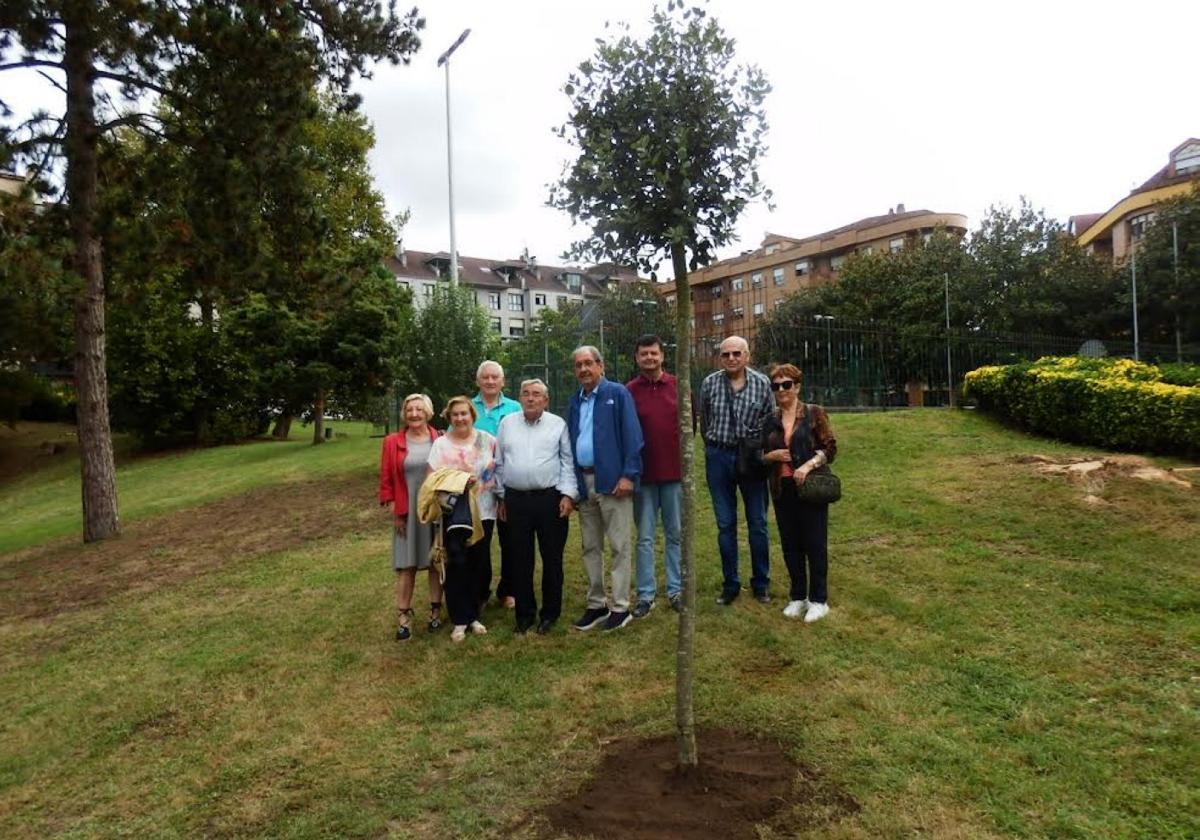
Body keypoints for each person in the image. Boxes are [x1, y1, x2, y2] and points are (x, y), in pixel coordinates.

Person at [566, 345, 644, 632]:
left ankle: (621, 607)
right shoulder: (575, 401)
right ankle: (596, 603)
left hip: (613, 482)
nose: (584, 369)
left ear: (601, 366)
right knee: (590, 546)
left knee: (619, 545)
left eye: (589, 363)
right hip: (584, 483)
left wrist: (628, 475)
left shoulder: (617, 394)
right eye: (579, 365)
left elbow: (633, 437)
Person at [495, 379, 578, 635]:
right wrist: (501, 497)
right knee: (520, 559)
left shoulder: (557, 424)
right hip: (516, 500)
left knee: (552, 558)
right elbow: (498, 463)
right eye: (526, 394)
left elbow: (567, 462)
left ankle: (550, 614)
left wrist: (568, 495)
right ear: (519, 398)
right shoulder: (507, 424)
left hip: (549, 499)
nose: (531, 398)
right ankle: (524, 614)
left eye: (536, 395)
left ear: (546, 400)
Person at [697, 335, 775, 605]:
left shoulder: (762, 384)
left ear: (747, 355)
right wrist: (713, 447)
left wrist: (760, 453)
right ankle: (730, 583)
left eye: (736, 354)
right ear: (720, 358)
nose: (731, 358)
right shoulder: (709, 384)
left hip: (752, 458)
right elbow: (704, 420)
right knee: (725, 524)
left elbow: (770, 423)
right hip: (719, 456)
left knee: (758, 523)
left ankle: (761, 582)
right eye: (726, 354)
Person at [760, 364, 838, 622]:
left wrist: (808, 465)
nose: (781, 390)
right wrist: (770, 455)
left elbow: (830, 448)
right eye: (776, 385)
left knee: (814, 543)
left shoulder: (814, 413)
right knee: (790, 544)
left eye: (786, 384)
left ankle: (818, 599)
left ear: (797, 386)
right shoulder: (770, 419)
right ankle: (797, 596)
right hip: (782, 489)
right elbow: (760, 453)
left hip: (809, 488)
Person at [427, 395, 500, 642]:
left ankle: (474, 615)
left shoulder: (487, 440)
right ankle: (460, 619)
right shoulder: (440, 445)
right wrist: (457, 481)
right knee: (457, 562)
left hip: (484, 510)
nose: (460, 418)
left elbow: (496, 473)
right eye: (455, 414)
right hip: (453, 514)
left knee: (479, 563)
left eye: (464, 413)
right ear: (449, 417)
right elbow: (432, 479)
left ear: (472, 415)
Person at [626, 334, 682, 617]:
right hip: (643, 477)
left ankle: (676, 590)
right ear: (637, 358)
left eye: (654, 353)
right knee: (645, 538)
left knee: (675, 535)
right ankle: (646, 595)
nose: (649, 358)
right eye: (644, 354)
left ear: (663, 356)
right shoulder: (629, 391)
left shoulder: (678, 387)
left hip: (674, 475)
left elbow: (689, 427)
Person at [378, 393, 443, 640]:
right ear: (405, 414)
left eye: (419, 409)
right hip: (407, 512)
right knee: (407, 565)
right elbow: (386, 479)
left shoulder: (439, 438)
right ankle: (404, 617)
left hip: (433, 510)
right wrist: (395, 511)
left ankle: (435, 612)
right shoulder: (392, 441)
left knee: (436, 562)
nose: (414, 414)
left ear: (428, 412)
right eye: (409, 410)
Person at [471, 360, 522, 610]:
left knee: (511, 539)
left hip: (508, 483)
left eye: (495, 377)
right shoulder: (467, 408)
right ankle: (481, 591)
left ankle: (508, 589)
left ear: (503, 381)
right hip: (478, 489)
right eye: (486, 377)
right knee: (479, 541)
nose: (490, 381)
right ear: (478, 381)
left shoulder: (515, 407)